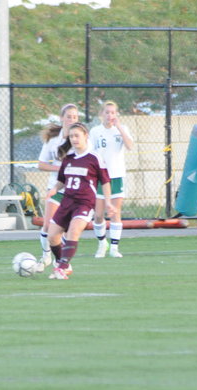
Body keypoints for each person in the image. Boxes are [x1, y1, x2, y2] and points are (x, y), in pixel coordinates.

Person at [46, 122, 115, 280]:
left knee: (73, 231)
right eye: (71, 136)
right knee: (52, 236)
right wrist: (54, 189)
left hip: (84, 203)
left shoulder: (94, 157)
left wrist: (108, 202)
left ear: (86, 136)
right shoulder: (68, 159)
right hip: (67, 202)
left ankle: (62, 268)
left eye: (77, 135)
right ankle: (63, 263)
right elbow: (62, 180)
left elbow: (105, 181)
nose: (74, 139)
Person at [90, 101, 134, 258]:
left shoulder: (122, 129)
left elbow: (130, 146)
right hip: (100, 177)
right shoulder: (95, 131)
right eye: (107, 112)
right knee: (98, 215)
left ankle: (114, 247)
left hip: (116, 176)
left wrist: (120, 128)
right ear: (101, 114)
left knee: (115, 212)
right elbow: (90, 153)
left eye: (113, 112)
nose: (110, 115)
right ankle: (102, 243)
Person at [37, 103, 79, 268]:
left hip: (74, 190)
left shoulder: (80, 139)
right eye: (68, 116)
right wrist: (59, 169)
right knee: (48, 225)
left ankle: (60, 261)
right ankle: (46, 256)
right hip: (55, 187)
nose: (71, 120)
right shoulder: (54, 140)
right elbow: (41, 164)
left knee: (66, 229)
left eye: (74, 117)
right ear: (62, 118)